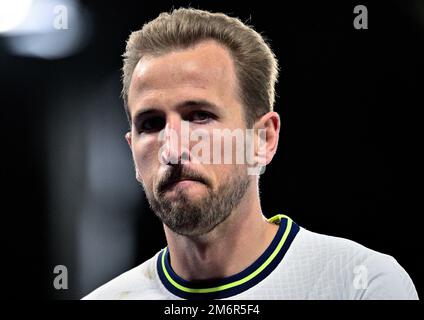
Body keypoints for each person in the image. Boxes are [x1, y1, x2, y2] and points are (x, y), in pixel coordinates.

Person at [83, 8, 418, 300]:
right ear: (132, 152)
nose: (172, 150)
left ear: (263, 139)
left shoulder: (359, 285)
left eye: (200, 116)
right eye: (152, 124)